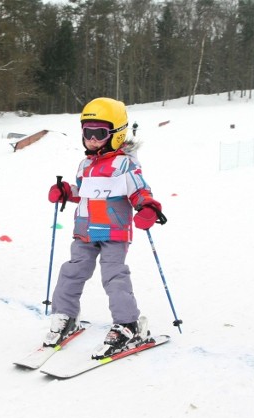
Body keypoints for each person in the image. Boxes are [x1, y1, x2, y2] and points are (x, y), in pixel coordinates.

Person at [43, 97, 166, 359]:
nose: (91, 139)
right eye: (87, 133)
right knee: (72, 272)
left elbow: (140, 191)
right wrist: (67, 192)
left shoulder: (125, 164)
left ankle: (127, 325)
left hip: (113, 231)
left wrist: (147, 207)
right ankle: (65, 316)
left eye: (99, 133)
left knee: (114, 277)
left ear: (117, 135)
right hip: (85, 229)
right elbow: (86, 193)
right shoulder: (85, 164)